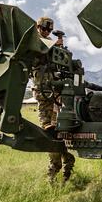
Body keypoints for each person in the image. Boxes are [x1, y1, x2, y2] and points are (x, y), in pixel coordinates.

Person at [32, 16, 75, 184]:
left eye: (49, 30)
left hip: (55, 91)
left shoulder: (49, 42)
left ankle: (66, 167)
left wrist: (60, 49)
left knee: (60, 131)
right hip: (43, 88)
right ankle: (54, 170)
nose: (46, 32)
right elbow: (38, 53)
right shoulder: (34, 41)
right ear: (38, 26)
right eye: (44, 29)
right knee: (48, 130)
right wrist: (52, 47)